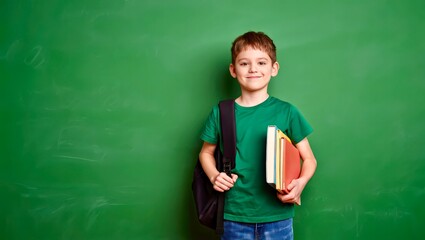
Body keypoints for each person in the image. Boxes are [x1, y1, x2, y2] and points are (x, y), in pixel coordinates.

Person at [198, 31, 317, 240]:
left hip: (277, 216)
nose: (253, 69)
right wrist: (214, 176)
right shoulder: (221, 112)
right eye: (244, 64)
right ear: (233, 70)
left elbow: (309, 159)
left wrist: (301, 183)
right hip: (233, 216)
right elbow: (206, 153)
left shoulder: (287, 112)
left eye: (261, 63)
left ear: (274, 68)